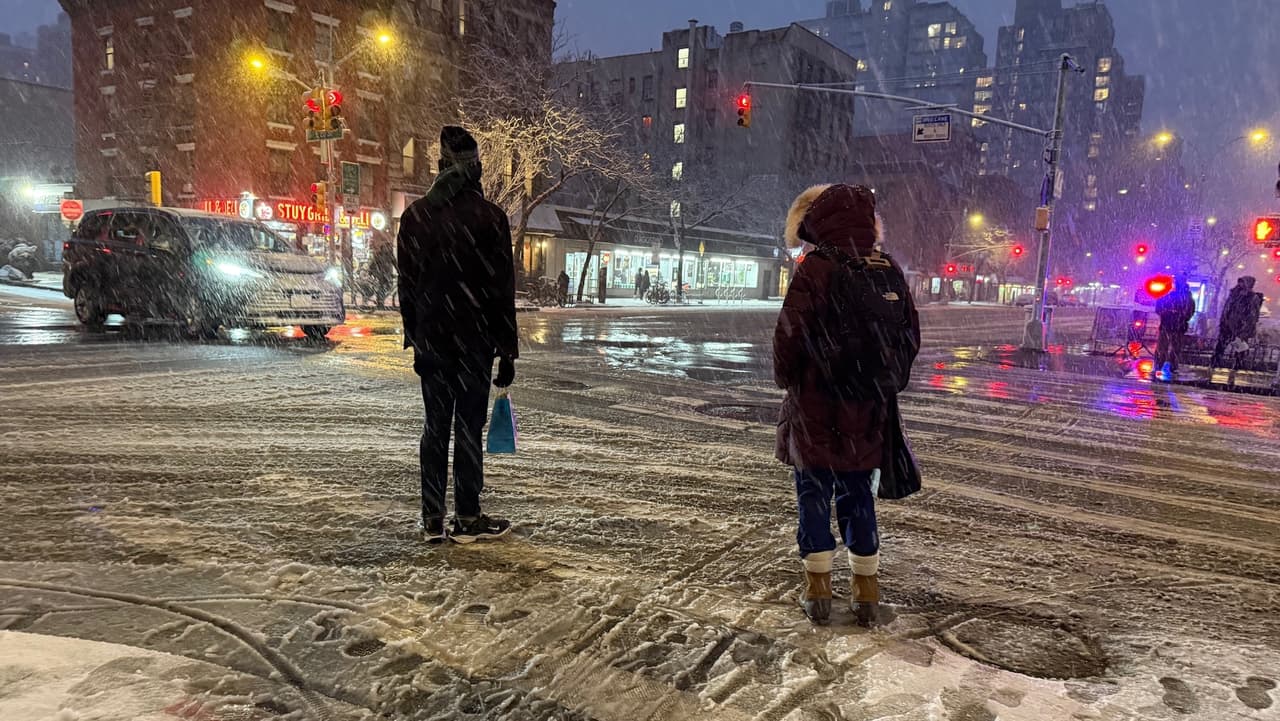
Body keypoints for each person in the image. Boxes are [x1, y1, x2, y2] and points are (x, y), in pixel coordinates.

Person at [773, 184, 920, 627]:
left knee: (813, 493)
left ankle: (818, 590)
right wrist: (878, 382)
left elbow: (787, 339)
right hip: (867, 408)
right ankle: (866, 591)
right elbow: (909, 338)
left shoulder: (816, 268)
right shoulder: (885, 267)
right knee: (858, 494)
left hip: (816, 406)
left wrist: (793, 381)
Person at [397, 126, 517, 544]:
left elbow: (407, 289)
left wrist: (415, 337)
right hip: (476, 342)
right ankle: (467, 517)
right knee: (467, 427)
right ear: (475, 168)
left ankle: (432, 518)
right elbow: (502, 290)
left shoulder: (415, 218)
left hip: (434, 341)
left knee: (435, 427)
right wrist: (507, 351)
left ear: (439, 167)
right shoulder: (490, 218)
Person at [1213, 277, 1263, 367]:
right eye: (1240, 282)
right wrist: (1224, 322)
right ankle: (1216, 364)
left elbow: (1252, 316)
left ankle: (1236, 367)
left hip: (1240, 328)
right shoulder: (1234, 294)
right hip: (1228, 326)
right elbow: (1226, 309)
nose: (1240, 285)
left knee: (1239, 349)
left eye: (1243, 282)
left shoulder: (1251, 298)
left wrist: (1244, 329)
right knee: (1220, 347)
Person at [1154, 278, 1195, 381]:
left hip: (1168, 324)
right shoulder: (1187, 297)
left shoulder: (1170, 296)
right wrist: (1182, 317)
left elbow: (1159, 307)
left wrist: (1166, 314)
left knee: (1163, 347)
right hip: (1178, 326)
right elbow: (1190, 311)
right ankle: (1172, 365)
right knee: (1174, 347)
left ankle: (1160, 364)